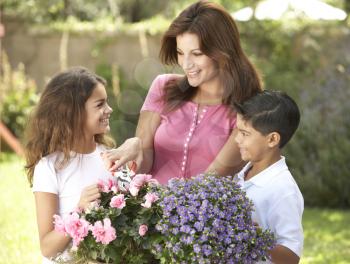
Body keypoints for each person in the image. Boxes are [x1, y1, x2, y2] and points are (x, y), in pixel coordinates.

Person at [102, 1, 262, 184]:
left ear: (222, 51)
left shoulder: (247, 109)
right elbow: (144, 164)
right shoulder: (163, 87)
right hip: (150, 209)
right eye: (180, 52)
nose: (186, 64)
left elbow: (211, 181)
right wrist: (135, 146)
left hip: (203, 211)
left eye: (197, 54)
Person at [24, 67, 115, 263]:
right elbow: (47, 247)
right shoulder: (49, 167)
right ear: (75, 114)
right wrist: (79, 210)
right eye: (100, 104)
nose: (109, 109)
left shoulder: (109, 157)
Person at [233, 90, 304, 264]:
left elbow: (291, 256)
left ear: (272, 139)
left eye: (245, 133)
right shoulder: (244, 173)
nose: (236, 139)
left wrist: (258, 239)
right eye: (237, 131)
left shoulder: (283, 190)